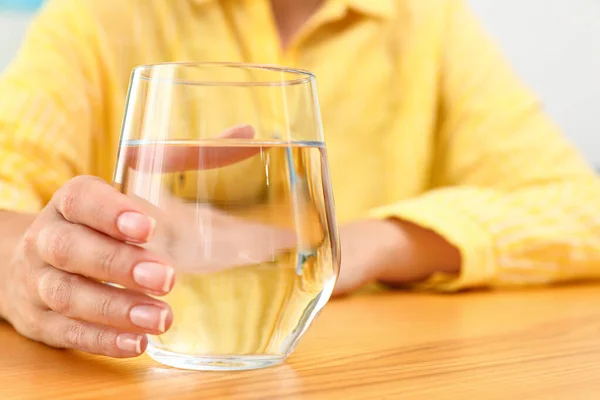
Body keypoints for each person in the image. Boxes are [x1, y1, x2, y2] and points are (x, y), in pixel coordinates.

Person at [1, 0, 599, 359]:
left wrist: (373, 241)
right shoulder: (104, 16)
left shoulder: (425, 21)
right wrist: (27, 265)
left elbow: (582, 208)